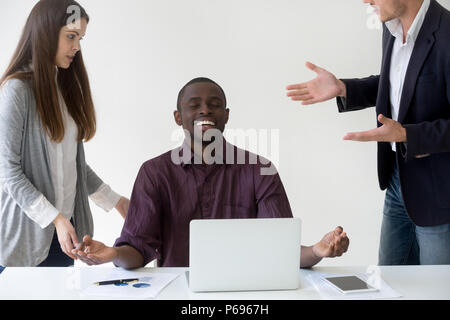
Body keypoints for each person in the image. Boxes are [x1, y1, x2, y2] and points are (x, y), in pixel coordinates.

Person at [72, 77, 350, 269]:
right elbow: (137, 249)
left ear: (226, 115)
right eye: (194, 105)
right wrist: (112, 254)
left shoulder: (260, 170)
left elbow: (282, 247)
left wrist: (317, 251)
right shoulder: (154, 173)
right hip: (179, 293)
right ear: (178, 117)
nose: (205, 109)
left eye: (214, 104)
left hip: (247, 294)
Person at [286, 0, 450, 265]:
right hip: (398, 181)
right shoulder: (391, 27)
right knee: (390, 282)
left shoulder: (446, 34)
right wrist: (343, 88)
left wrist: (408, 134)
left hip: (440, 192)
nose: (366, 1)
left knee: (436, 288)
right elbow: (396, 84)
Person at [0, 0, 130, 271]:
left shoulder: (65, 91)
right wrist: (56, 218)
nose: (77, 47)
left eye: (80, 38)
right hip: (23, 241)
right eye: (71, 37)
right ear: (45, 32)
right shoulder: (17, 90)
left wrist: (117, 202)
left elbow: (74, 166)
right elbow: (8, 171)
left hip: (63, 240)